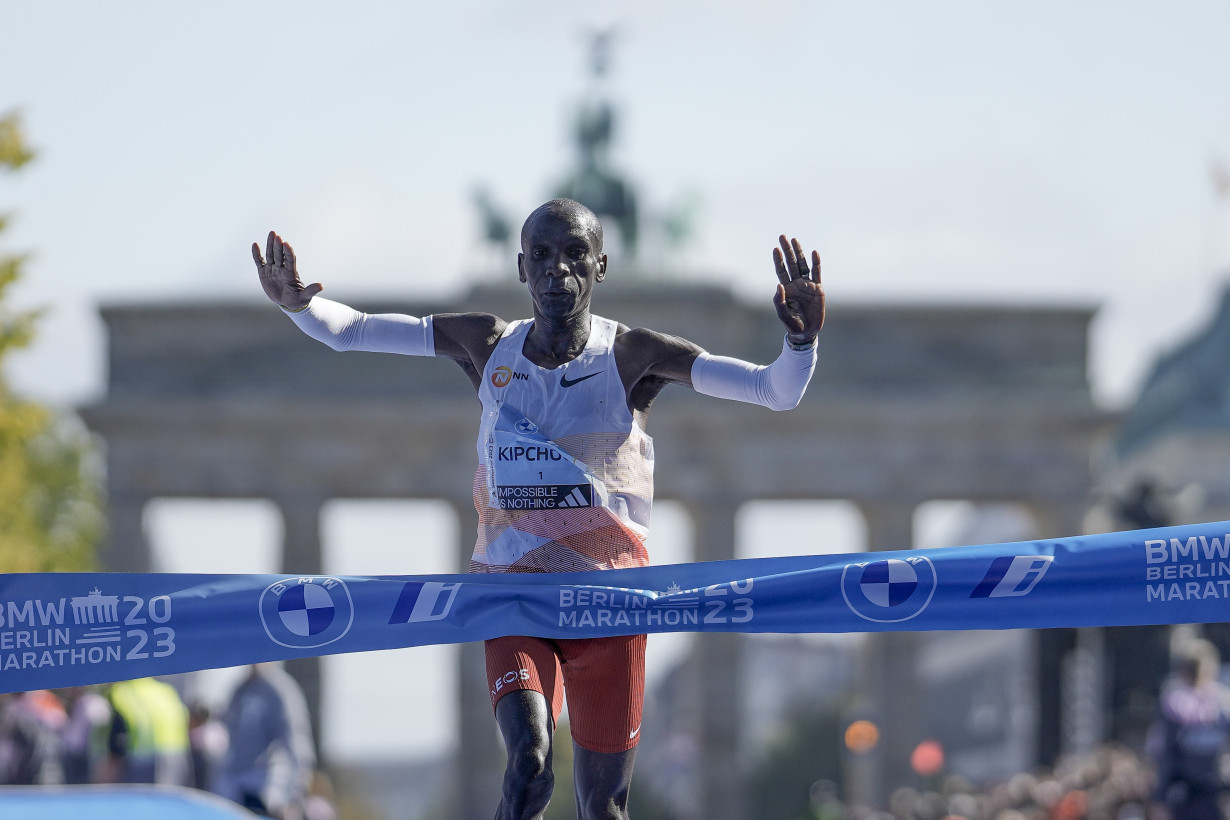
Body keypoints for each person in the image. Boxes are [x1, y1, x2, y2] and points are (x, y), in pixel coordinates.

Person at [253, 198, 825, 820]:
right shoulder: (486, 343)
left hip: (609, 603)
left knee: (600, 808)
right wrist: (299, 306)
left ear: (601, 266)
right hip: (512, 596)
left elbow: (775, 391)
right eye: (544, 257)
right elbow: (355, 331)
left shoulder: (634, 355)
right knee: (527, 767)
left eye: (576, 255)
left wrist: (800, 341)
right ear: (521, 267)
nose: (559, 271)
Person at [213, 663, 316, 820]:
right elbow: (228, 741)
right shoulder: (239, 690)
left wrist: (293, 797)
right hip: (235, 793)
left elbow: (297, 746)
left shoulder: (282, 690)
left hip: (267, 795)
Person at [1149, 639, 1230, 820]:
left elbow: (1164, 753)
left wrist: (1160, 797)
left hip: (1191, 791)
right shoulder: (1223, 702)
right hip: (1205, 790)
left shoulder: (1173, 703)